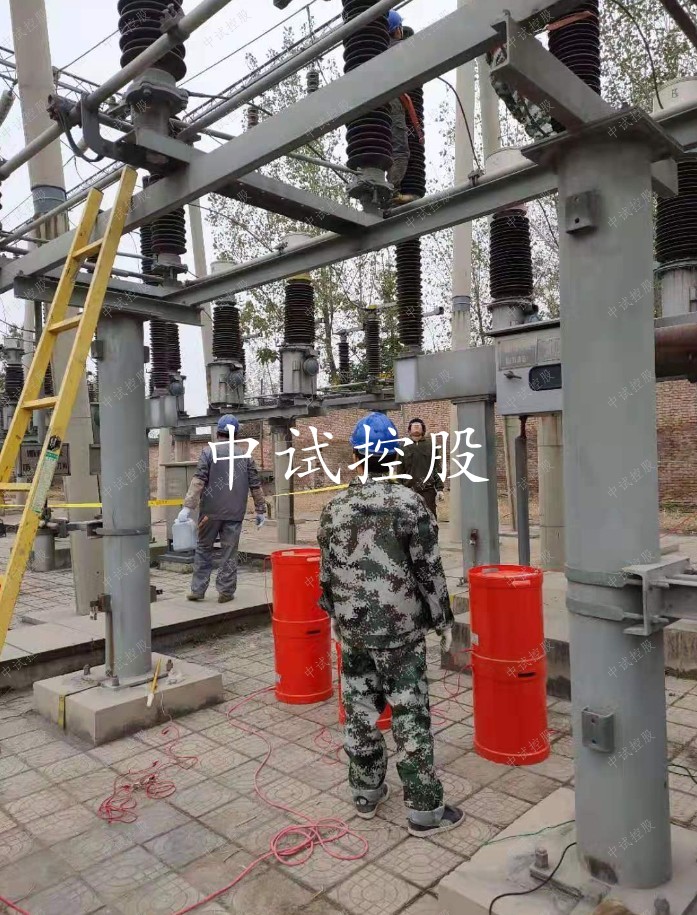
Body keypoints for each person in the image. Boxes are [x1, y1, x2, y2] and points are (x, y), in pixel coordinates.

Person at [317, 411, 464, 837]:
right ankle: (424, 809)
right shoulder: (409, 504)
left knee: (360, 711)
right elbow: (429, 570)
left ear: (357, 457)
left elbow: (326, 573)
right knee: (409, 713)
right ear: (395, 456)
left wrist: (335, 615)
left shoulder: (334, 509)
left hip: (354, 631)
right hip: (401, 633)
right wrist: (442, 620)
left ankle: (366, 790)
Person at [178, 414, 267, 604]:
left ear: (218, 432)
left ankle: (197, 590)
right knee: (229, 553)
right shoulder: (245, 456)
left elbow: (199, 480)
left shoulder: (208, 452)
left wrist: (187, 507)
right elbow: (255, 485)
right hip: (234, 513)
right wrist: (261, 510)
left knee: (203, 549)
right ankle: (225, 592)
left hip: (209, 514)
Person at [386, 10, 424, 205]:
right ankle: (390, 192)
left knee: (385, 147)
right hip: (393, 102)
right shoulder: (400, 49)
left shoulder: (377, 51)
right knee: (400, 151)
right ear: (397, 29)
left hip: (375, 105)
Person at [401, 418, 445, 519]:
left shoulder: (431, 446)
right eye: (414, 425)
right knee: (409, 520)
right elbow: (400, 470)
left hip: (427, 491)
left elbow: (436, 468)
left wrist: (440, 489)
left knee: (430, 519)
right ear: (409, 430)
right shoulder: (403, 447)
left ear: (423, 429)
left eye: (418, 425)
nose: (416, 427)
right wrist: (399, 489)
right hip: (409, 491)